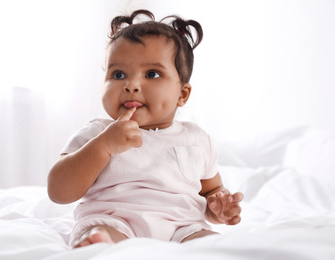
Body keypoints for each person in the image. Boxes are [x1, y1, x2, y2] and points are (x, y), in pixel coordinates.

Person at [47, 9, 244, 248]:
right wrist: (104, 147)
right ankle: (99, 247)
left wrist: (218, 207)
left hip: (183, 228)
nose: (131, 85)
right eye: (118, 74)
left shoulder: (196, 138)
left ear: (182, 94)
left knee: (212, 244)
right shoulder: (98, 133)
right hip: (115, 221)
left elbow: (211, 189)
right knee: (101, 234)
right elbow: (58, 191)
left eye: (152, 74)